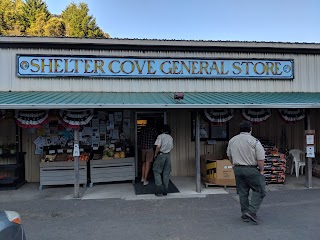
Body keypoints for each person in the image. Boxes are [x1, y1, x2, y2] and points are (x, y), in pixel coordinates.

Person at [226, 120, 266, 224]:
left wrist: (234, 164)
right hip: (251, 169)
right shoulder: (254, 141)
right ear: (250, 129)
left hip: (237, 169)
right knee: (260, 189)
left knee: (243, 192)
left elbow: (229, 155)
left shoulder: (232, 140)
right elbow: (260, 159)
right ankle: (252, 212)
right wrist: (261, 170)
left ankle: (244, 214)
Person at [153, 124, 173, 196]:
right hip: (168, 155)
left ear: (162, 130)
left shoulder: (160, 136)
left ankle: (159, 188)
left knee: (156, 171)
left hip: (161, 155)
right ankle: (165, 189)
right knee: (166, 173)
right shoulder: (170, 137)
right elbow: (171, 147)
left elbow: (158, 146)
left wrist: (155, 154)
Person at [138, 120, 158, 186]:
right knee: (148, 164)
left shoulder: (143, 129)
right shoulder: (153, 129)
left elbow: (139, 138)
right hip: (149, 148)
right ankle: (145, 180)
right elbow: (157, 138)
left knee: (143, 163)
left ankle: (142, 178)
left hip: (143, 148)